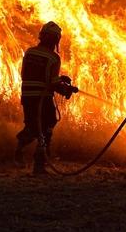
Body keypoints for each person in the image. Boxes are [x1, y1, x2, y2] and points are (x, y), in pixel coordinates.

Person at [15, 21, 77, 174]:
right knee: (47, 126)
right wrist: (67, 89)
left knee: (32, 125)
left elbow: (31, 74)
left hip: (27, 96)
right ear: (56, 39)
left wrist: (60, 79)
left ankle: (19, 147)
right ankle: (39, 165)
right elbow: (52, 82)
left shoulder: (29, 52)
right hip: (42, 98)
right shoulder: (53, 57)